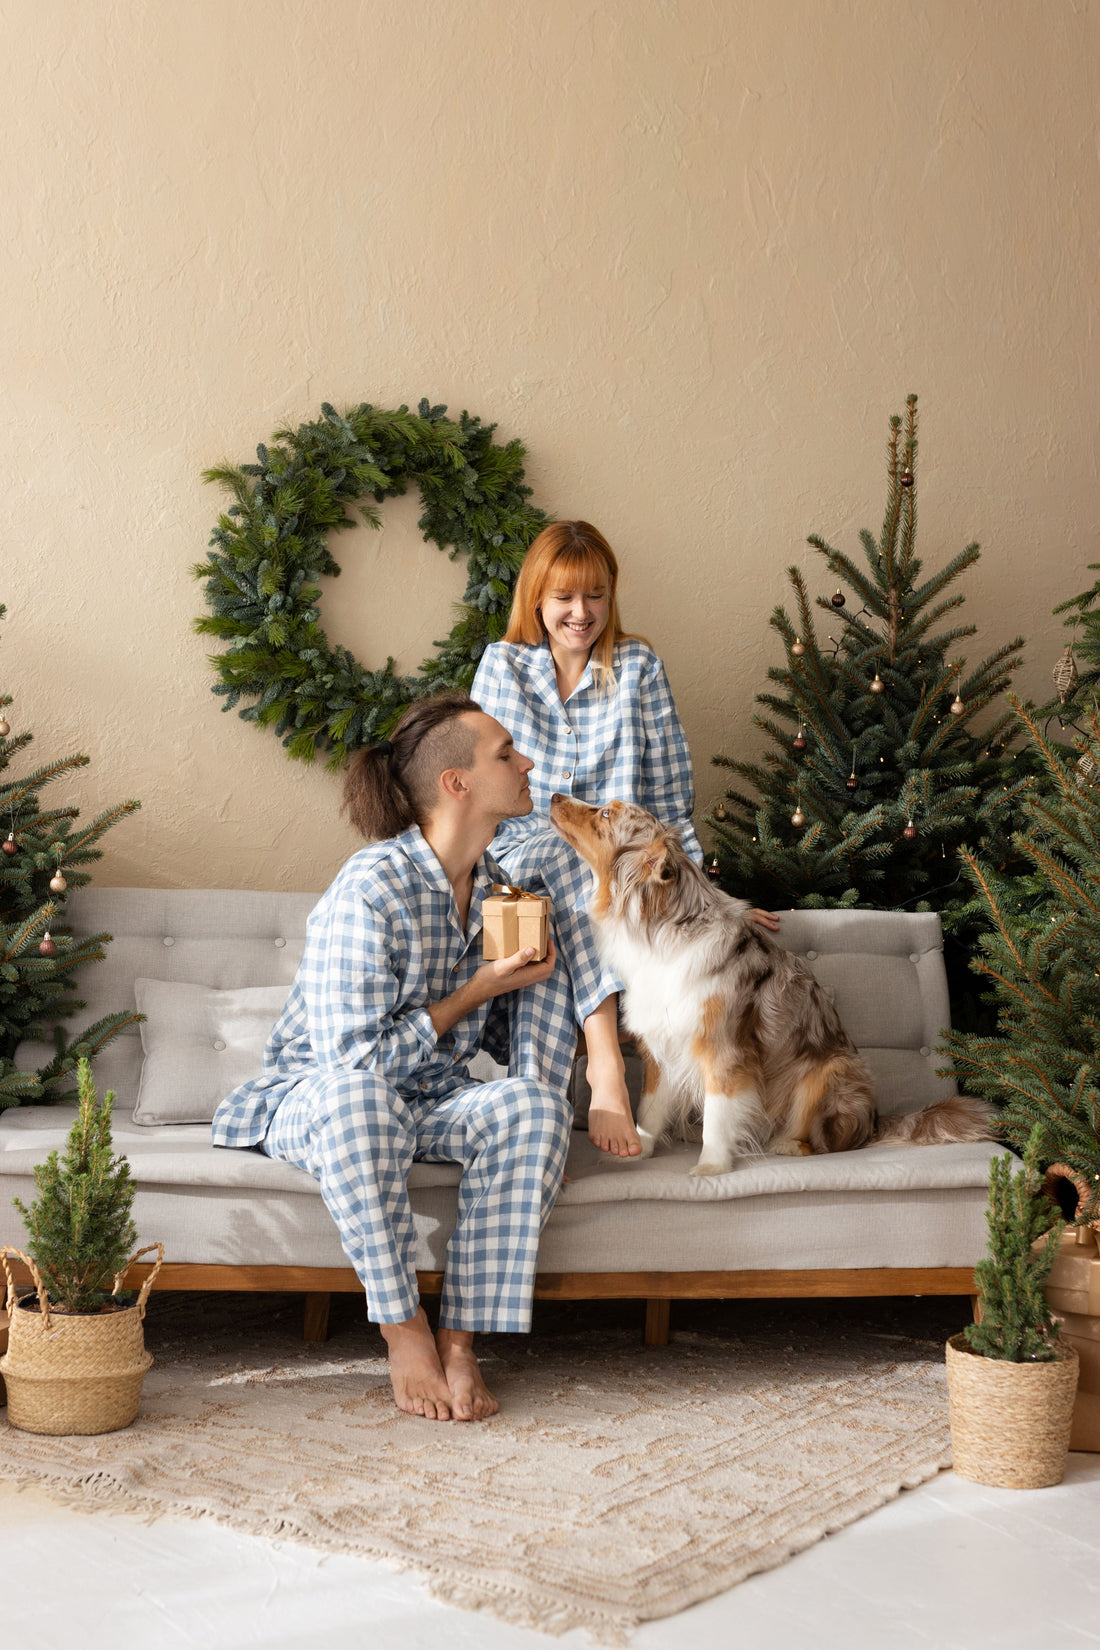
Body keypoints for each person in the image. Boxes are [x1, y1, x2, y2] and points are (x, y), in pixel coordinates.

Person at [212, 693, 593, 1424]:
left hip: (430, 1098)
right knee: (364, 1102)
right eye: (507, 753)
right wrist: (476, 988)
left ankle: (459, 1340)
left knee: (536, 1108)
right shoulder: (371, 886)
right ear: (458, 784)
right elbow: (355, 1063)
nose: (528, 762)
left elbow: (505, 1048)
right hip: (322, 1094)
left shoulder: (498, 894)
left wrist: (533, 989)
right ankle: (402, 1328)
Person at [473, 521, 778, 1161]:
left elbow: (668, 804)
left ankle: (536, 1130)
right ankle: (607, 1062)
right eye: (564, 598)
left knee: (570, 900)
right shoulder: (503, 667)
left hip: (615, 874)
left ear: (612, 599)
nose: (581, 613)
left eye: (596, 596)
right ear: (536, 598)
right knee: (565, 851)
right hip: (520, 859)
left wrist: (716, 905)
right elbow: (479, 789)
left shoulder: (638, 668)